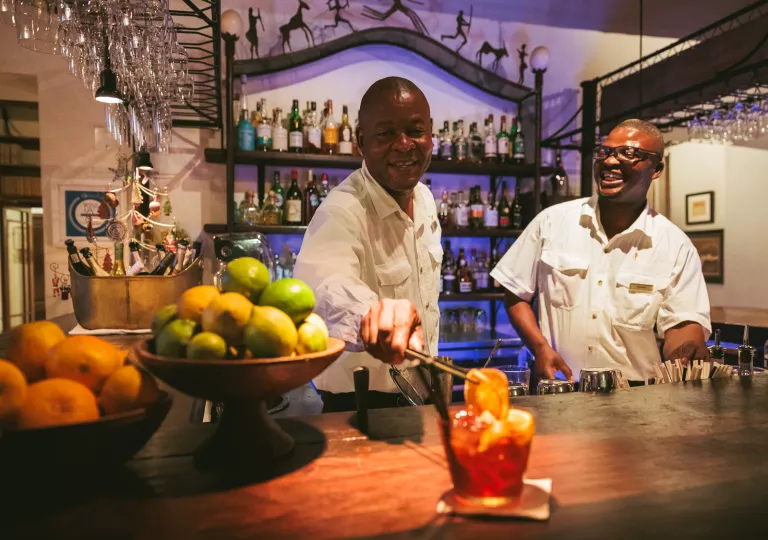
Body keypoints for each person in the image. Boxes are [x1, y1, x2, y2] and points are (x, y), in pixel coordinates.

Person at [490, 119, 711, 384]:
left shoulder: (674, 245)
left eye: (629, 154)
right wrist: (539, 348)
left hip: (636, 398)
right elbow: (515, 293)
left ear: (656, 169)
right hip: (560, 389)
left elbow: (682, 323)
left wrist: (686, 350)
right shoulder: (552, 222)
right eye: (605, 152)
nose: (610, 161)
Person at [294, 77, 440, 412]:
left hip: (422, 397)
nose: (404, 145)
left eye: (415, 131)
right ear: (361, 142)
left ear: (430, 135)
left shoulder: (426, 200)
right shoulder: (341, 210)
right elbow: (324, 287)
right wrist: (371, 314)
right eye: (386, 133)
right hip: (360, 407)